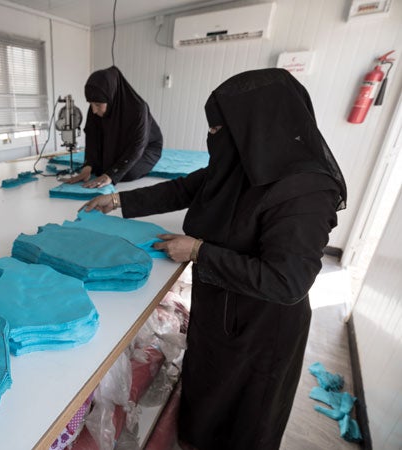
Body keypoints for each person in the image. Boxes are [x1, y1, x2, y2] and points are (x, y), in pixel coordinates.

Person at [81, 68, 347, 449]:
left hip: (261, 330)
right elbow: (186, 187)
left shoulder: (304, 190)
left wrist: (198, 251)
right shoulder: (244, 163)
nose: (211, 138)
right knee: (205, 397)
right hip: (220, 310)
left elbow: (287, 281)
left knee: (243, 419)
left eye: (217, 129)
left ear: (254, 124)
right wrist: (119, 200)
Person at [65, 66, 163, 188]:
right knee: (99, 169)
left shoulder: (138, 109)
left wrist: (111, 176)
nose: (94, 110)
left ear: (111, 97)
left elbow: (137, 147)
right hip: (116, 146)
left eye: (97, 104)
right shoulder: (96, 107)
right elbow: (92, 137)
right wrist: (87, 167)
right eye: (90, 104)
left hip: (146, 148)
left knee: (127, 173)